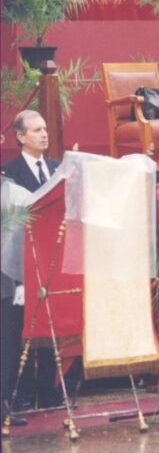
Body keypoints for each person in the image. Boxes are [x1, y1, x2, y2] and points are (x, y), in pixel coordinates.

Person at [2, 112, 64, 426]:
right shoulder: (8, 173)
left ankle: (48, 387)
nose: (44, 134)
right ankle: (21, 391)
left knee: (51, 319)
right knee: (18, 326)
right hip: (19, 261)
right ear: (21, 136)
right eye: (37, 130)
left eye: (45, 128)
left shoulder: (57, 169)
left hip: (52, 256)